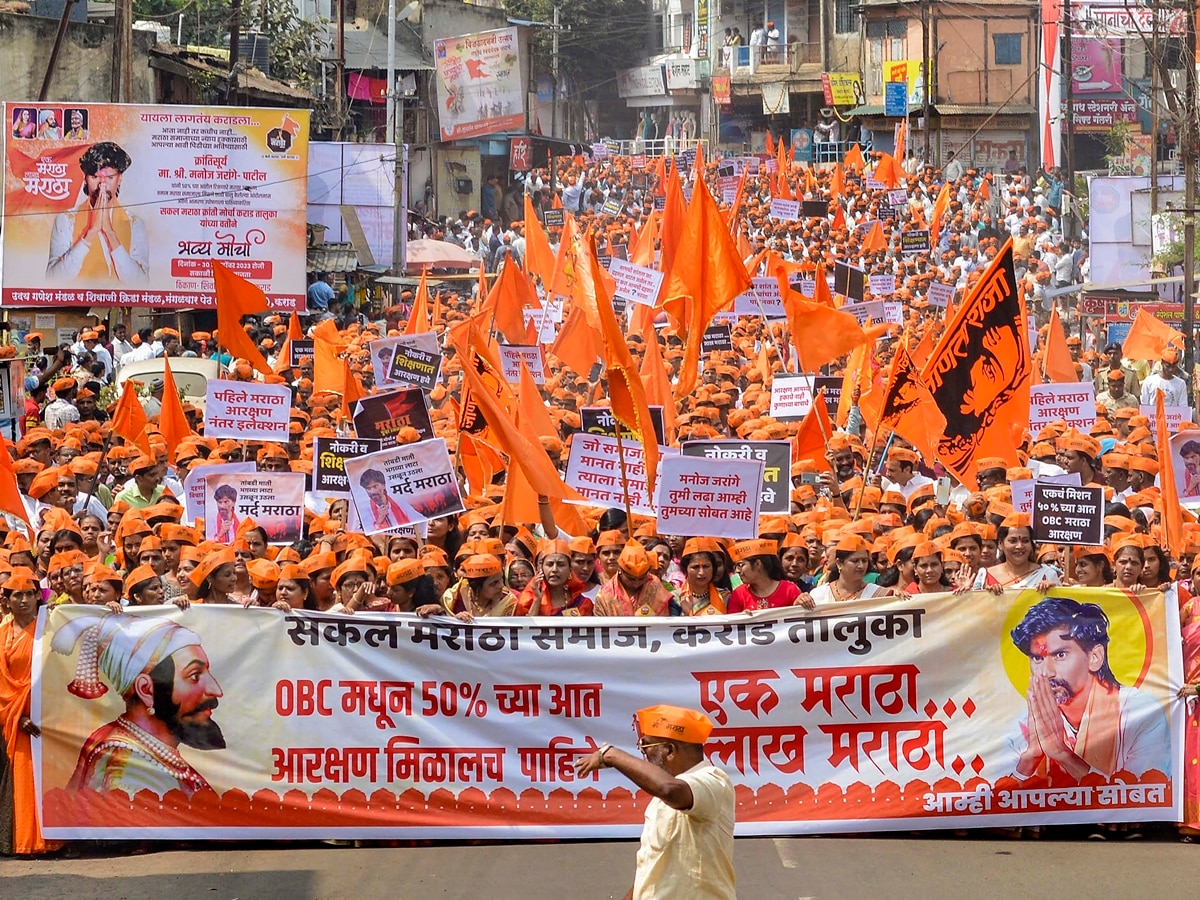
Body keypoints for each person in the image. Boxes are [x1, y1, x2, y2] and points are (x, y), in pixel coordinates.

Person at [49, 612, 225, 796]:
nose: (216, 690)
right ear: (146, 690)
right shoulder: (128, 770)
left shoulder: (145, 752)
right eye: (195, 675)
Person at [573, 705, 735, 900]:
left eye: (646, 747)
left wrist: (612, 755)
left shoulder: (713, 780)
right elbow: (653, 867)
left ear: (669, 751)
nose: (644, 755)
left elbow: (670, 790)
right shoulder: (662, 800)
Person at [1007, 597, 1170, 781]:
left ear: (1095, 657)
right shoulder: (1024, 724)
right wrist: (1030, 759)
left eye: (1060, 655)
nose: (1047, 672)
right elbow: (995, 801)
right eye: (1037, 658)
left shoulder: (1140, 712)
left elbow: (1143, 794)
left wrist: (1062, 754)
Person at [0, 568, 59, 854]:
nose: (23, 600)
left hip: (46, 715)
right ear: (6, 600)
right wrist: (17, 714)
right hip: (13, 717)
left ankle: (53, 839)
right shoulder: (0, 634)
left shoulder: (51, 627)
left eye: (28, 594)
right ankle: (25, 840)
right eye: (16, 595)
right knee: (21, 776)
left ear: (38, 596)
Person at [47, 141, 149, 283]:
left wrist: (110, 233)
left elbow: (142, 284)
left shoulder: (135, 224)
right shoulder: (66, 221)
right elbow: (54, 280)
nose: (102, 185)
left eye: (109, 178)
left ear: (119, 179)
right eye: (95, 177)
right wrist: (91, 233)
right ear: (85, 179)